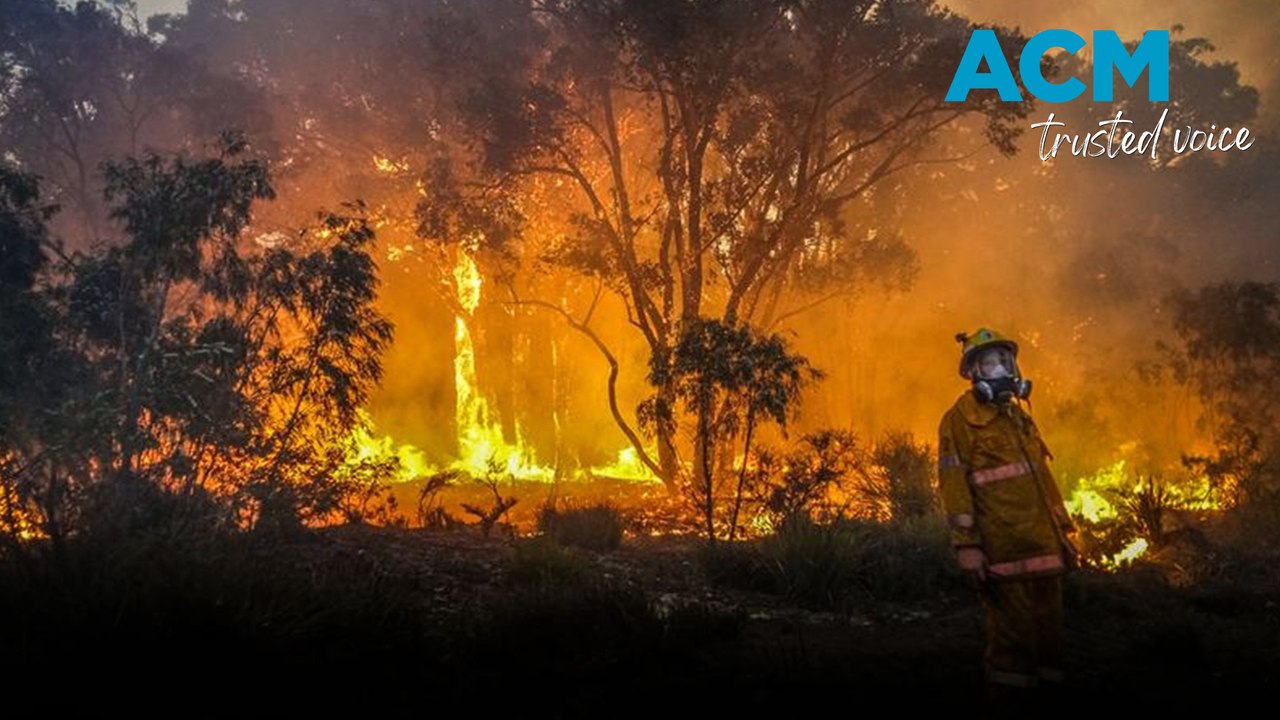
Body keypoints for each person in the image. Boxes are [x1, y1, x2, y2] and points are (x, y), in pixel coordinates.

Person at [936, 327, 1078, 698]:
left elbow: (1041, 479)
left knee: (1052, 641)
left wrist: (1063, 532)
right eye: (989, 362)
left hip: (1045, 548)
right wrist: (967, 546)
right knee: (1013, 647)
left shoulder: (1019, 418)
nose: (999, 368)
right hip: (1003, 550)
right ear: (973, 373)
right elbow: (954, 486)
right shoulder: (960, 421)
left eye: (1004, 360)